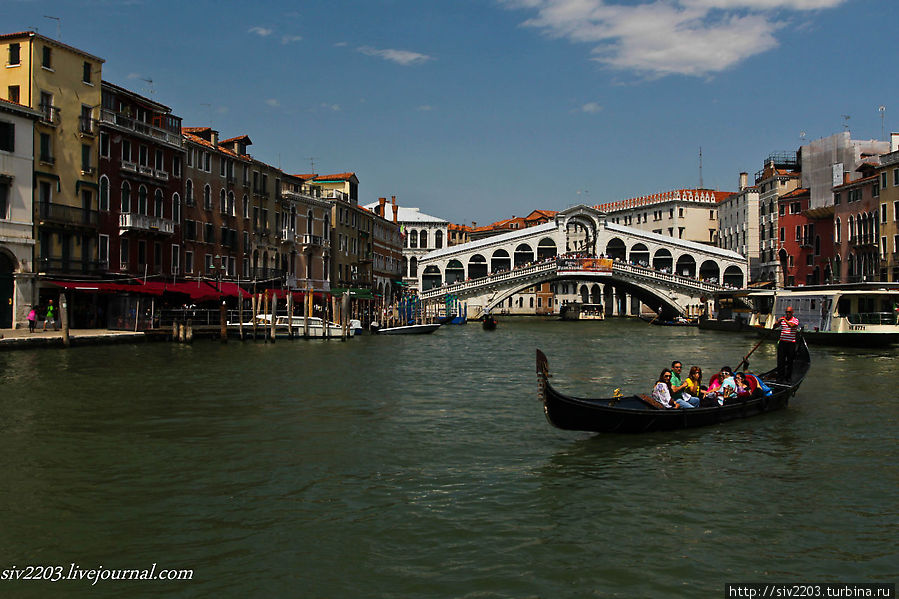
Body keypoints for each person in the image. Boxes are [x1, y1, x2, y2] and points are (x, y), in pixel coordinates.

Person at [774, 306, 800, 382]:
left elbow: (791, 326)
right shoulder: (782, 320)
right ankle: (780, 378)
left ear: (792, 313)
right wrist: (777, 323)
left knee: (790, 361)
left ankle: (788, 378)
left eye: (789, 312)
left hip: (791, 343)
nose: (787, 313)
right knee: (780, 361)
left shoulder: (795, 320)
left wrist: (784, 319)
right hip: (782, 343)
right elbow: (774, 327)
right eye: (786, 312)